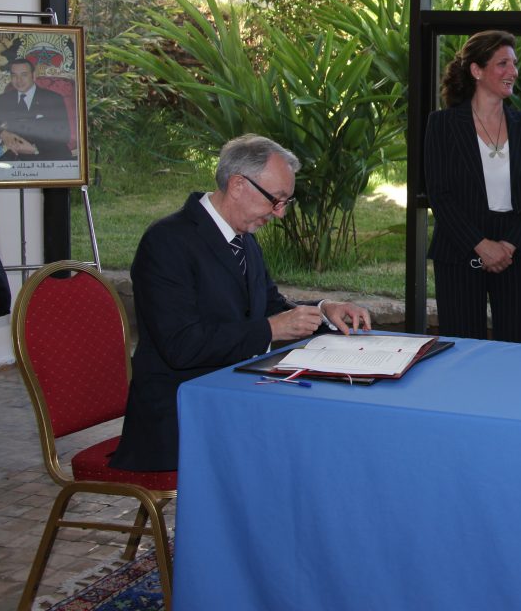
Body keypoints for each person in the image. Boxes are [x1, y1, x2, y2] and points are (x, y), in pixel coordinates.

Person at [111, 134, 371, 472]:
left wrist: (324, 309)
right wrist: (269, 329)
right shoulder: (167, 242)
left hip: (233, 394)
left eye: (285, 202)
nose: (280, 214)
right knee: (296, 451)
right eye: (275, 200)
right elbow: (182, 345)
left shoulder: (243, 239)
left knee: (322, 435)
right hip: (180, 414)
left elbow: (269, 306)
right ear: (237, 185)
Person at [424, 30, 521, 343]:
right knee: (462, 350)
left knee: (518, 350)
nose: (513, 72)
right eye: (502, 63)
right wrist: (480, 244)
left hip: (514, 251)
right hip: (459, 248)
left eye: (515, 64)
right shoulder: (442, 125)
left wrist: (508, 245)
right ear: (477, 71)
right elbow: (440, 195)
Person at [0, 58, 71, 160]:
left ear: (33, 75)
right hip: (15, 158)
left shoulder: (53, 99)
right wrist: (2, 134)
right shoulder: (4, 99)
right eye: (14, 75)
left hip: (49, 156)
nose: (19, 80)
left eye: (24, 75)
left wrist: (34, 149)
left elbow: (63, 134)